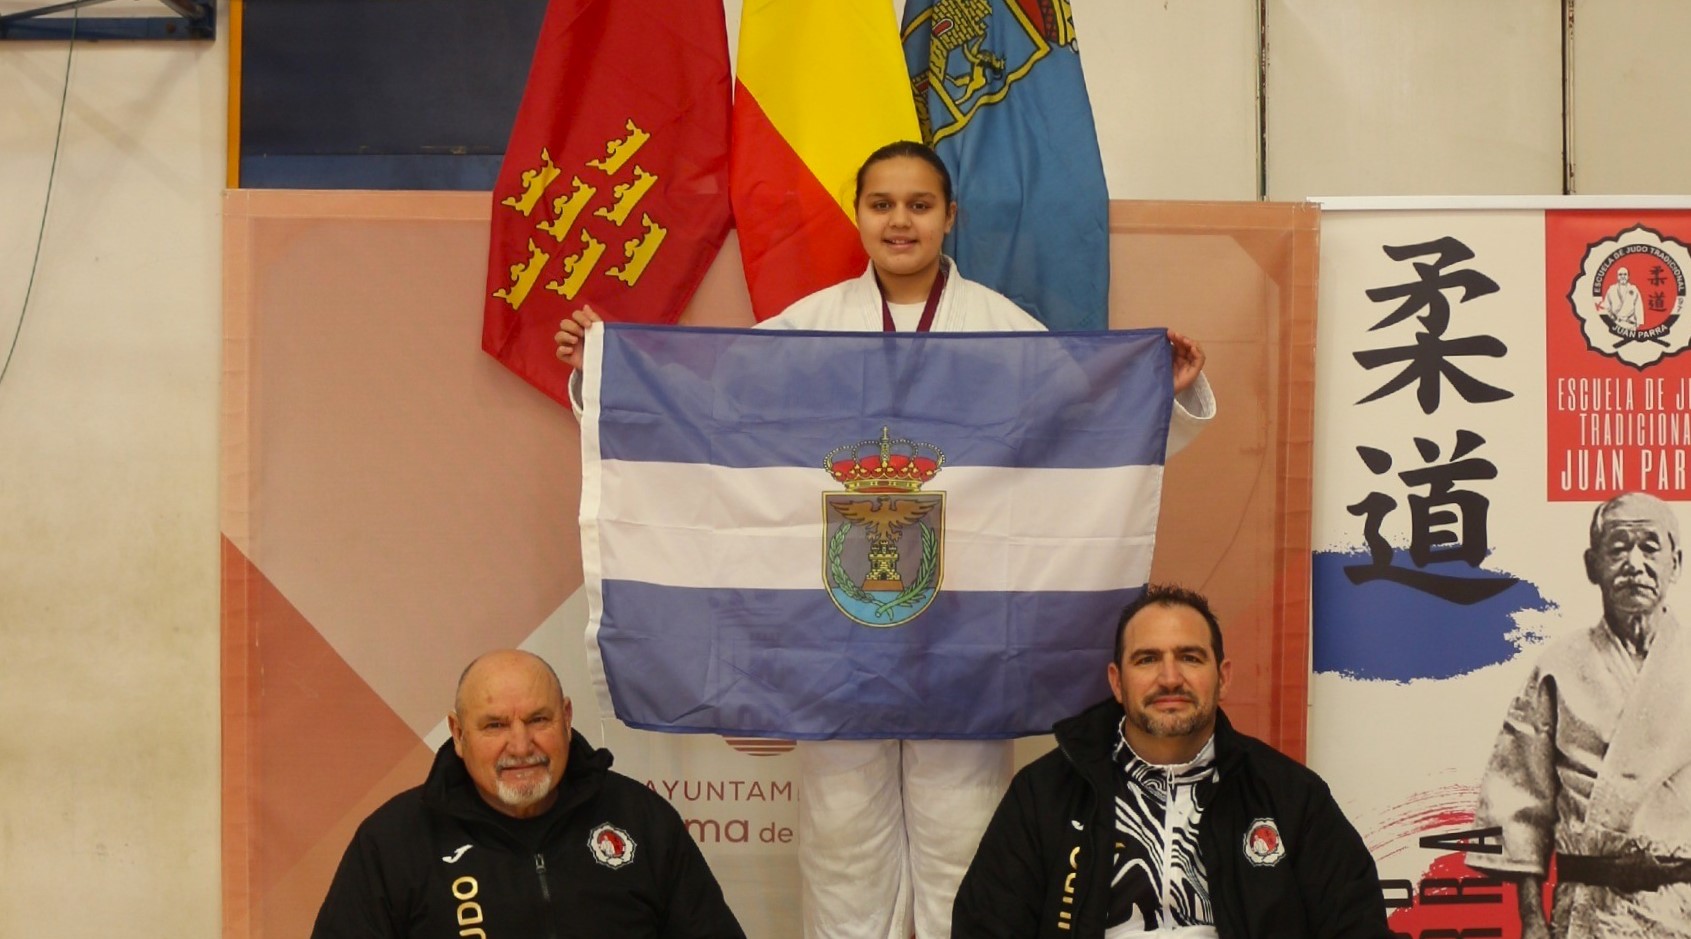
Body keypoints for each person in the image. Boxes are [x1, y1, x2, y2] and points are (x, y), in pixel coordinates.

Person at [556, 140, 1217, 939]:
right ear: (858, 214)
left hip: (965, 640)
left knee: (966, 849)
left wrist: (1163, 392)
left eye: (919, 204)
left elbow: (1085, 439)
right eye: (881, 204)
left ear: (949, 217)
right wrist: (609, 371)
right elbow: (713, 415)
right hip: (834, 640)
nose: (899, 221)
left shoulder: (999, 329)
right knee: (839, 852)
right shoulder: (809, 328)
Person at [952, 585, 1392, 938]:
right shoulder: (1044, 794)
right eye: (1147, 659)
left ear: (1223, 678)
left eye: (1189, 657)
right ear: (1117, 682)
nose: (1169, 678)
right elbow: (986, 926)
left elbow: (1357, 926)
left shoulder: (1291, 795)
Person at [309, 649, 745, 939]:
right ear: (458, 734)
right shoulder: (394, 841)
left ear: (566, 719)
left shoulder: (642, 820)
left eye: (538, 720)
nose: (520, 746)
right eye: (495, 725)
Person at [1471, 492, 1691, 938]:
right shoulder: (1559, 667)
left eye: (1650, 546)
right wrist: (1532, 919)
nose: (1634, 562)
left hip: (1680, 909)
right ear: (1593, 565)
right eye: (1618, 548)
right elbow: (1519, 802)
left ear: (1676, 562)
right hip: (1587, 912)